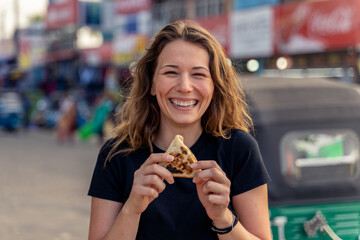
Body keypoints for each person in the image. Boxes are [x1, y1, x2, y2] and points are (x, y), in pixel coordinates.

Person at [88, 20, 271, 240]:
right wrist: (132, 208)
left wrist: (223, 217)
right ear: (152, 84)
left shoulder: (239, 149)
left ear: (214, 86)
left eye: (199, 74)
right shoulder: (116, 155)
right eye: (171, 72)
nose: (185, 86)